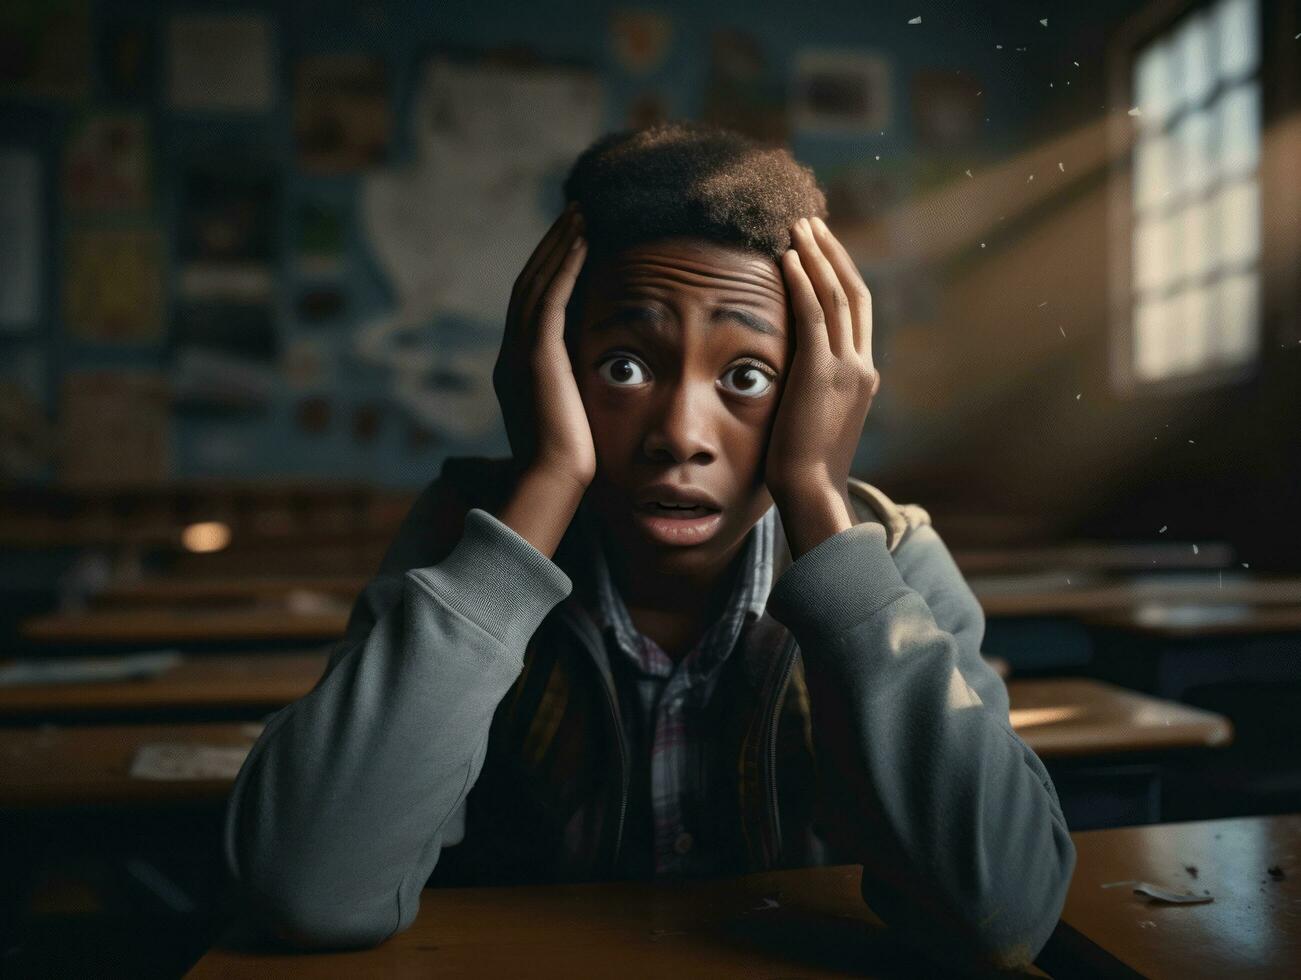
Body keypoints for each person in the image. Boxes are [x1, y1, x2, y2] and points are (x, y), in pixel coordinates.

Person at [224, 122, 1075, 973]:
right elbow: (310, 890)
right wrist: (547, 475)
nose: (680, 435)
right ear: (546, 369)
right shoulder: (465, 539)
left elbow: (998, 916)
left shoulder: (885, 555)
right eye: (624, 367)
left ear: (821, 389)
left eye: (747, 377)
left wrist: (815, 490)